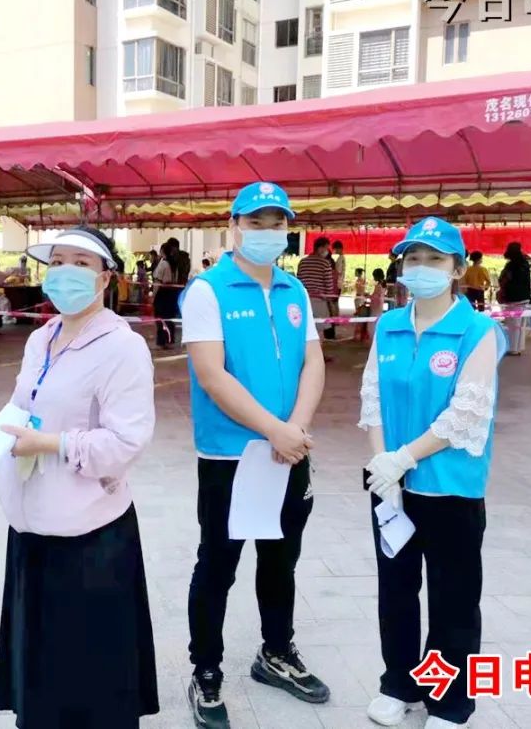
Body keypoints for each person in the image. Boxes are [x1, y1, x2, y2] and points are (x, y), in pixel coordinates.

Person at [0, 226, 159, 729]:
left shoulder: (122, 347)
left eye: (81, 263)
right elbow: (22, 404)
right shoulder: (41, 338)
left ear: (106, 278)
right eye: (58, 261)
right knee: (41, 671)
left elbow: (126, 443)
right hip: (32, 525)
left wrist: (52, 443)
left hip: (90, 536)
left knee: (91, 677)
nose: (65, 272)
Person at [180, 182, 329, 728]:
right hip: (231, 456)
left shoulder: (294, 289)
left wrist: (297, 428)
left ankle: (276, 652)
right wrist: (273, 431)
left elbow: (314, 361)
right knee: (218, 565)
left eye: (277, 223)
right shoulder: (208, 290)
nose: (268, 232)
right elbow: (212, 375)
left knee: (281, 559)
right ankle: (206, 670)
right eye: (256, 222)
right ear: (234, 226)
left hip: (289, 452)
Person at [358, 216, 505, 729]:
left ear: (457, 269)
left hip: (450, 489)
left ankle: (449, 701)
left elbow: (465, 413)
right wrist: (383, 463)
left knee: (453, 598)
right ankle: (398, 684)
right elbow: (372, 397)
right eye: (413, 258)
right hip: (390, 485)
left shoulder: (479, 331)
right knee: (396, 589)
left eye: (435, 259)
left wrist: (403, 458)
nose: (421, 267)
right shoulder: (388, 327)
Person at [297, 236, 337, 340]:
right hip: (319, 301)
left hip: (303, 300)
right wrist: (329, 299)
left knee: (305, 329)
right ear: (320, 248)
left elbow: (299, 281)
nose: (327, 251)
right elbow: (329, 284)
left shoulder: (302, 262)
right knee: (319, 331)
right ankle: (318, 350)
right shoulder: (325, 263)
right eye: (326, 248)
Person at [497, 242, 531, 356]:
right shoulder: (525, 264)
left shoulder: (511, 265)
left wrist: (502, 290)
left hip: (513, 298)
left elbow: (504, 279)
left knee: (512, 325)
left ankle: (512, 348)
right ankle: (519, 347)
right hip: (525, 297)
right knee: (521, 324)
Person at [153, 243, 179, 349]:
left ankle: (163, 341)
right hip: (170, 293)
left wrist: (154, 295)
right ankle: (168, 340)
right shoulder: (172, 264)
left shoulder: (164, 264)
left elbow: (159, 280)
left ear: (162, 251)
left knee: (161, 318)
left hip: (162, 293)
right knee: (168, 317)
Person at [369, 267, 387, 340]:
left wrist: (369, 296)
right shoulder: (383, 285)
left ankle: (374, 338)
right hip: (380, 304)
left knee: (373, 323)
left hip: (376, 305)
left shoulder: (379, 286)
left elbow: (375, 296)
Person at [353, 268, 370, 343]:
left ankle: (359, 335)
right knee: (359, 315)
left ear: (358, 273)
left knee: (360, 316)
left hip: (359, 298)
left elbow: (361, 290)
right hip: (359, 297)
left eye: (356, 272)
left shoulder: (360, 280)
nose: (355, 273)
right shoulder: (361, 280)